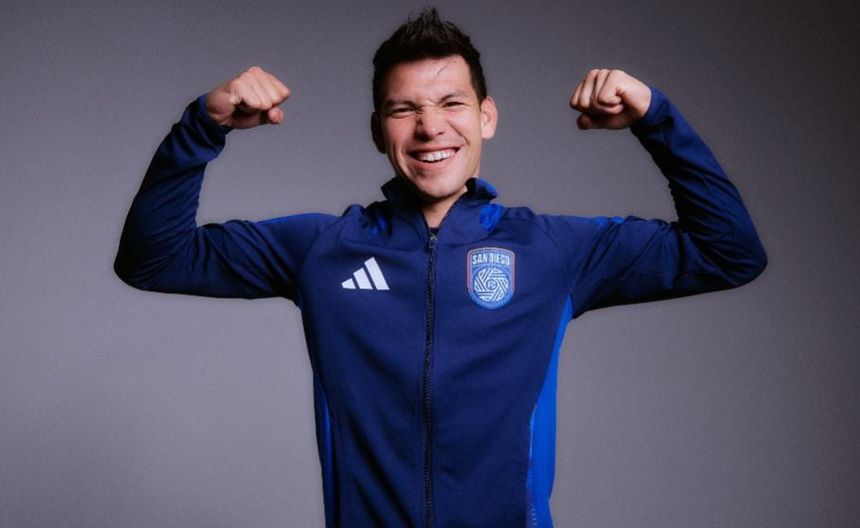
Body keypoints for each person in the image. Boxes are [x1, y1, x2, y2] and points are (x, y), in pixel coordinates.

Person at [115, 8, 766, 528]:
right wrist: (202, 128)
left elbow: (729, 252)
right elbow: (153, 259)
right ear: (379, 130)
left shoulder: (551, 251)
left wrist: (656, 119)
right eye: (405, 110)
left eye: (452, 104)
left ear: (487, 117)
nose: (431, 128)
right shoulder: (322, 248)